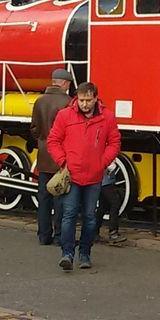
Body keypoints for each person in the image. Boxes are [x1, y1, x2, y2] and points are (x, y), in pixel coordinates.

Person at [46, 82, 120, 271]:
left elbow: (114, 142)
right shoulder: (65, 115)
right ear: (76, 98)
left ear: (96, 98)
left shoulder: (107, 117)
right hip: (72, 174)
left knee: (89, 217)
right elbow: (53, 140)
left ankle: (85, 253)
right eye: (81, 100)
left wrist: (102, 162)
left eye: (88, 100)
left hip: (94, 175)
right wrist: (63, 161)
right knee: (69, 214)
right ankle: (67, 254)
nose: (84, 104)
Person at [31, 68, 74, 246]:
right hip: (60, 158)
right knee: (60, 197)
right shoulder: (69, 102)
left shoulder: (39, 101)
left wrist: (42, 141)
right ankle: (59, 236)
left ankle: (43, 235)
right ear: (65, 84)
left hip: (43, 156)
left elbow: (34, 129)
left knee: (43, 197)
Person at [97, 158, 127, 245]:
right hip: (105, 180)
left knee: (102, 207)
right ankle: (113, 233)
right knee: (115, 203)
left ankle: (94, 232)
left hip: (104, 180)